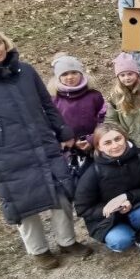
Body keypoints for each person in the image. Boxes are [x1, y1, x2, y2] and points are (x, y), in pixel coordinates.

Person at [0, 25, 93, 269]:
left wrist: (64, 131)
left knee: (61, 194)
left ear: (5, 43)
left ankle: (67, 240)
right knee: (23, 204)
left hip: (43, 145)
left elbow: (47, 104)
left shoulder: (24, 71)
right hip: (4, 155)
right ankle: (39, 250)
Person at [74, 124, 140, 256]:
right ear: (99, 147)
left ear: (125, 138)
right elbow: (82, 208)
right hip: (109, 218)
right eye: (107, 143)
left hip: (138, 206)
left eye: (118, 139)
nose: (115, 146)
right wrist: (113, 208)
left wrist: (129, 196)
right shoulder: (92, 172)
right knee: (120, 240)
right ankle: (129, 237)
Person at [49, 54, 106, 187]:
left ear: (81, 73)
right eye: (65, 74)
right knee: (75, 180)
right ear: (58, 77)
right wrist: (64, 140)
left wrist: (93, 139)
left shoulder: (94, 96)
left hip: (94, 142)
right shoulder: (54, 100)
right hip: (68, 147)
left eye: (74, 72)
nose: (70, 77)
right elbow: (50, 124)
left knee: (99, 176)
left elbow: (104, 118)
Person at [105, 53, 140, 160]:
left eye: (130, 74)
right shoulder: (115, 96)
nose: (126, 78)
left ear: (137, 73)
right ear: (118, 77)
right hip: (128, 143)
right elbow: (111, 119)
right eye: (122, 75)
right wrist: (122, 135)